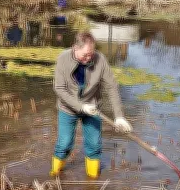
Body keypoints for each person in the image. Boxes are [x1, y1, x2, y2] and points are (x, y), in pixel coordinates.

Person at [51, 31, 132, 179]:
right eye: (85, 55)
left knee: (94, 145)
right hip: (67, 108)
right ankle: (55, 175)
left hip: (94, 109)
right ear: (75, 48)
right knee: (64, 144)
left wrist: (119, 116)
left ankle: (93, 180)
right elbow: (59, 89)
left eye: (91, 53)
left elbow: (112, 87)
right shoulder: (63, 59)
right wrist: (80, 106)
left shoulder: (100, 60)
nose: (89, 58)